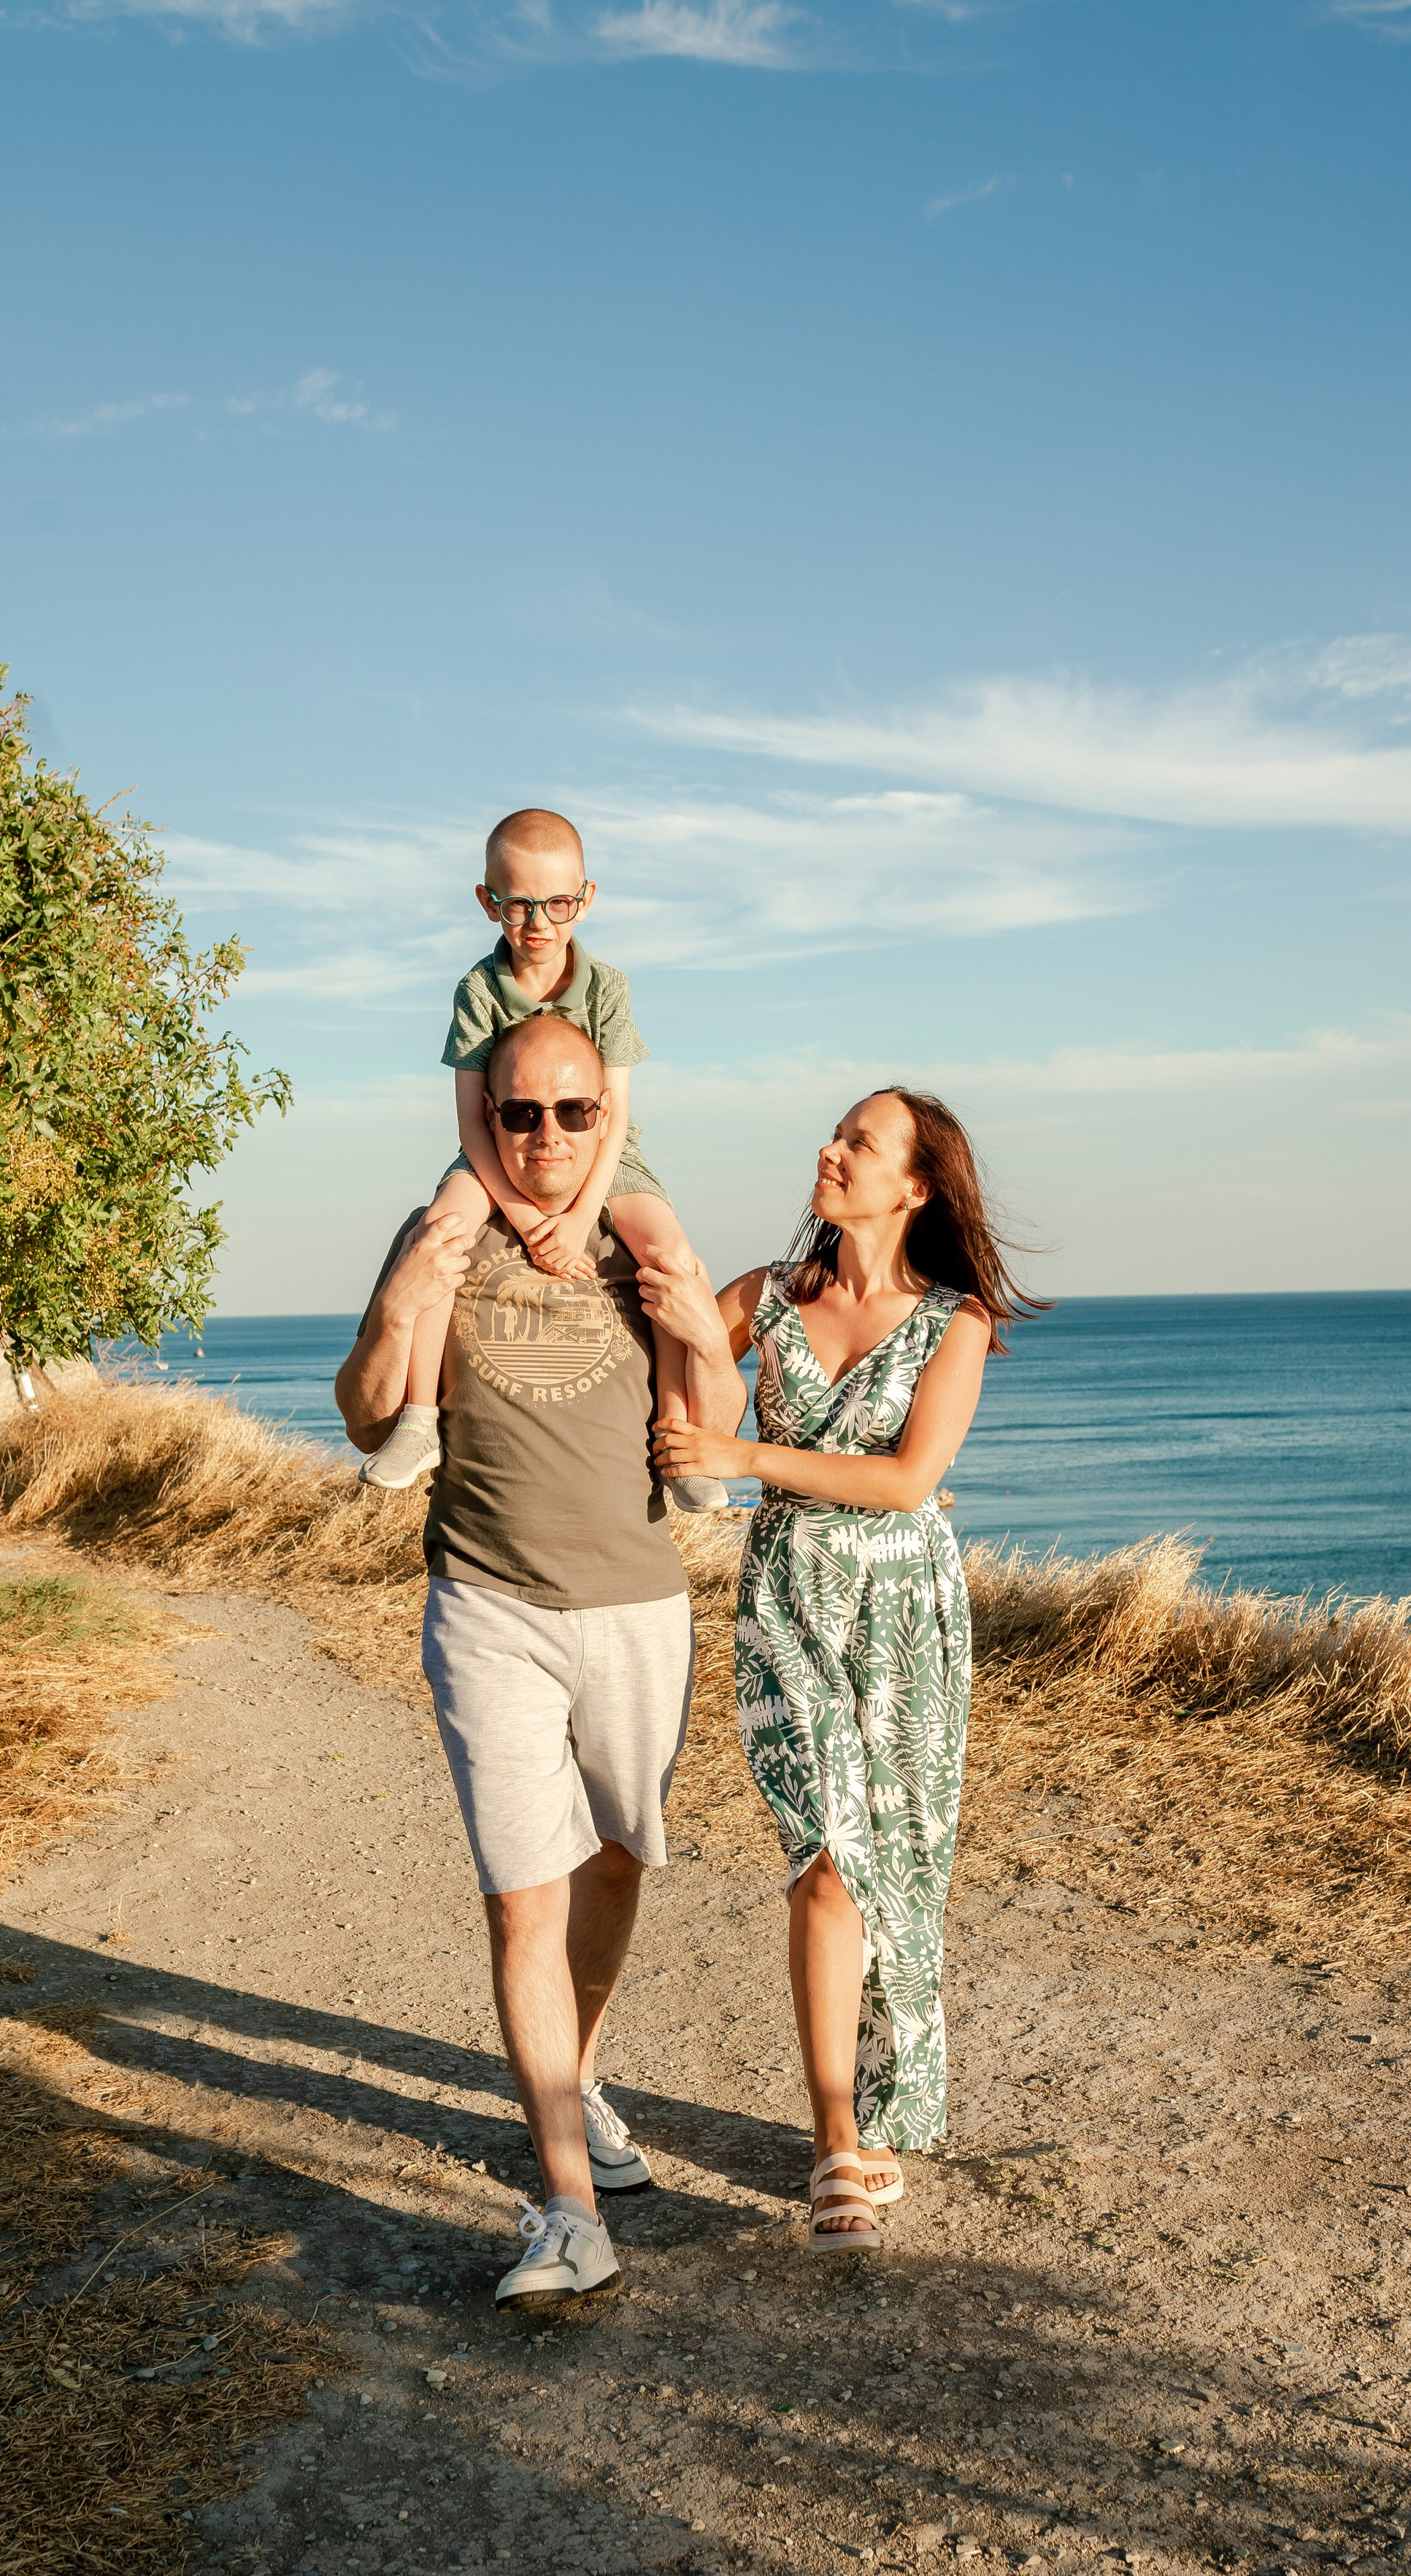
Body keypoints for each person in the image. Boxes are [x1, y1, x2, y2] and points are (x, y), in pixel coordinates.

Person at [334, 1012, 745, 2308]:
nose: (551, 1137)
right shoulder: (441, 1233)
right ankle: (567, 2207)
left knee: (616, 1861)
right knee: (524, 1896)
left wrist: (705, 1333)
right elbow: (361, 1414)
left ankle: (578, 2073)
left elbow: (714, 1432)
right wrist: (406, 1296)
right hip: (486, 1607)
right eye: (523, 1114)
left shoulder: (638, 1239)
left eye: (576, 1113)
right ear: (485, 1116)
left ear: (605, 1116)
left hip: (636, 1610)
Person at [650, 1091, 1042, 2254]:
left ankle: (879, 2110)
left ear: (915, 1186)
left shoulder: (955, 1320)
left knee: (893, 1864)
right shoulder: (767, 1297)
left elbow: (913, 1480)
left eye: (860, 1143)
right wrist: (675, 1347)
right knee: (825, 1853)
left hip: (907, 1608)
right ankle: (832, 2141)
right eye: (837, 1135)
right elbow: (667, 1373)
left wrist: (742, 1453)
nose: (831, 1150)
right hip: (787, 1595)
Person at [360, 804, 727, 1512]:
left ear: (584, 900)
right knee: (439, 1237)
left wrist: (585, 1209)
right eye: (518, 904)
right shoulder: (476, 990)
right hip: (497, 1147)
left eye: (557, 903)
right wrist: (529, 1220)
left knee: (673, 1258)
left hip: (608, 1155)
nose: (538, 923)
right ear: (487, 901)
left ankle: (677, 1436)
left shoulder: (609, 988)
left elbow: (615, 1114)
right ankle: (418, 1420)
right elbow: (472, 1123)